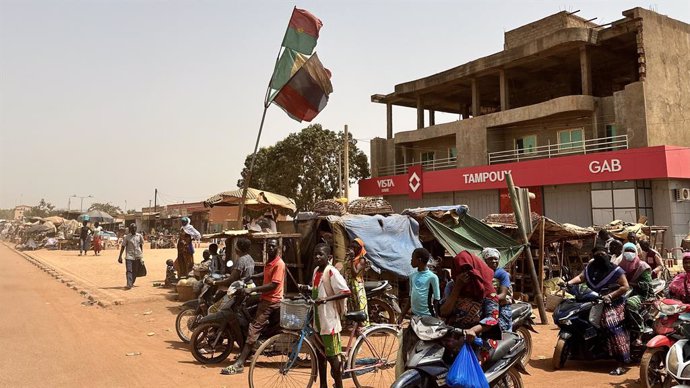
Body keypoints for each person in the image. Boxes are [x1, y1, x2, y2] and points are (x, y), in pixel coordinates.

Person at [221, 238, 284, 375]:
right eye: (269, 246)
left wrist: (252, 290)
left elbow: (273, 285)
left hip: (271, 301)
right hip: (264, 299)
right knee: (245, 310)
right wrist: (252, 277)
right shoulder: (270, 262)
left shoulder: (279, 264)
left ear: (278, 248)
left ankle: (240, 363)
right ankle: (248, 350)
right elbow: (266, 274)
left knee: (253, 329)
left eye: (273, 246)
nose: (270, 249)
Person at [565, 248, 631, 375]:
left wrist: (610, 296)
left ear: (607, 255)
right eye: (597, 254)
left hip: (612, 302)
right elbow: (581, 277)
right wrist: (568, 283)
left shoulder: (615, 270)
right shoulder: (591, 268)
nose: (600, 256)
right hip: (593, 299)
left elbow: (625, 286)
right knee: (577, 317)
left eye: (602, 254)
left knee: (611, 325)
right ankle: (576, 350)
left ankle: (621, 362)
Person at [301, 243, 351, 388]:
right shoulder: (317, 270)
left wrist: (325, 300)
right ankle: (323, 384)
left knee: (333, 357)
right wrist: (307, 288)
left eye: (320, 254)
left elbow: (346, 292)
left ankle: (339, 384)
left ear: (328, 257)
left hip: (329, 321)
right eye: (315, 254)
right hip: (318, 320)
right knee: (319, 354)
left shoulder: (332, 272)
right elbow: (317, 289)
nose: (317, 257)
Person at [440, 251, 501, 360]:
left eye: (467, 270)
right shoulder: (451, 286)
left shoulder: (488, 290)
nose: (464, 275)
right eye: (460, 271)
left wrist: (473, 330)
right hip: (451, 336)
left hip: (478, 338)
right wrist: (457, 288)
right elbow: (444, 312)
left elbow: (492, 318)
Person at [619, 242, 654, 337]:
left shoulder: (642, 266)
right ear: (622, 252)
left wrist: (630, 284)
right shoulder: (619, 266)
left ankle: (639, 329)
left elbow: (647, 285)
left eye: (631, 251)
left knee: (630, 304)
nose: (629, 253)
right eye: (627, 251)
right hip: (623, 292)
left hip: (641, 293)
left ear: (636, 252)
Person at [399, 247, 441, 321]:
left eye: (412, 258)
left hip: (428, 316)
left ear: (419, 260)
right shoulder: (412, 276)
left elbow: (436, 300)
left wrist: (436, 318)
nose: (411, 261)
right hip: (414, 316)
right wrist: (402, 315)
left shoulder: (432, 277)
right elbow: (410, 298)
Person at [481, 248, 513, 332]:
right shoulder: (482, 273)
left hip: (503, 306)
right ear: (485, 260)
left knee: (503, 329)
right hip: (489, 305)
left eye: (496, 259)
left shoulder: (502, 274)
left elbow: (503, 295)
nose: (494, 261)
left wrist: (488, 300)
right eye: (490, 259)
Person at [343, 238, 369, 326]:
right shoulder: (349, 257)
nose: (353, 249)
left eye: (355, 247)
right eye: (352, 247)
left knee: (360, 304)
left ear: (359, 248)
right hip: (349, 284)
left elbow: (355, 273)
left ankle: (363, 324)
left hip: (357, 285)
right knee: (351, 304)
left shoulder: (362, 260)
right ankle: (354, 324)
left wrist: (352, 259)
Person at [118, 223, 144, 290]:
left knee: (135, 271)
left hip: (137, 256)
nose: (133, 229)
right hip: (129, 256)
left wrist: (141, 255)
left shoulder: (139, 236)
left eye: (135, 228)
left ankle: (131, 282)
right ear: (130, 229)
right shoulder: (127, 237)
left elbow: (141, 245)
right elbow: (123, 246)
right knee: (129, 270)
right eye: (132, 228)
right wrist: (120, 256)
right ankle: (129, 284)